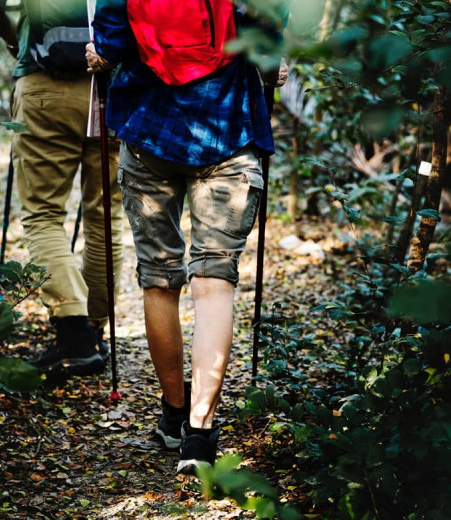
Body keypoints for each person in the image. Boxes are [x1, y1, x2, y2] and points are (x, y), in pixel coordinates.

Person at [88, 0, 285, 474]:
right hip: (229, 132)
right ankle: (200, 435)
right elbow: (269, 37)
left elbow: (111, 45)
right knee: (214, 282)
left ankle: (173, 415)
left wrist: (98, 56)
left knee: (159, 278)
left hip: (150, 132)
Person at [0, 0, 124, 377]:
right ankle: (93, 332)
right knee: (105, 213)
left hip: (46, 85)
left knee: (43, 214)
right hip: (113, 88)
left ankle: (74, 335)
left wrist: (15, 42)